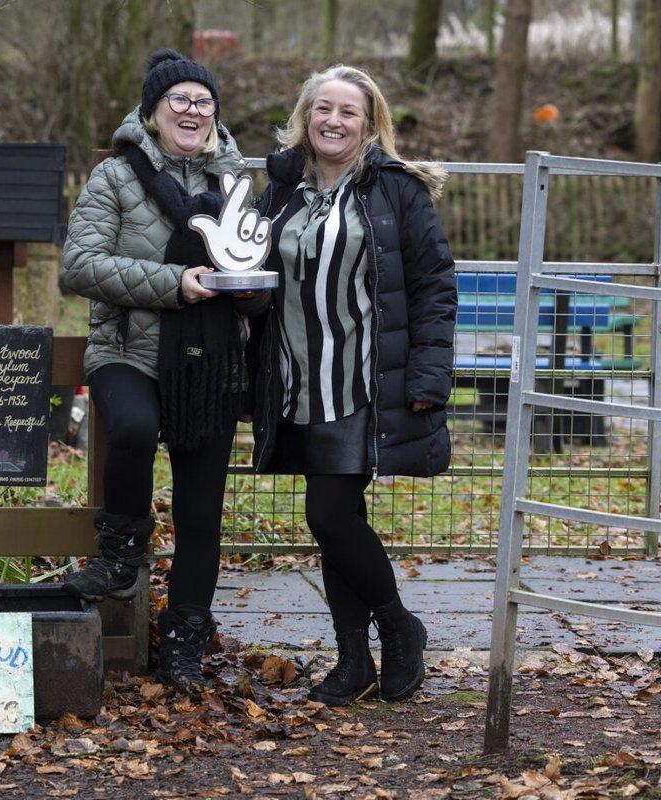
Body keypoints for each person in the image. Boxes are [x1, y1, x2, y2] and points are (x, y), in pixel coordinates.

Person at [249, 65, 456, 705]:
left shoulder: (393, 190)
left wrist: (428, 374)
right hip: (294, 382)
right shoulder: (281, 188)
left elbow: (433, 286)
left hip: (361, 380)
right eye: (323, 109)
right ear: (305, 116)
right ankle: (353, 662)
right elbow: (248, 265)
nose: (333, 121)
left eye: (348, 112)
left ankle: (398, 627)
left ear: (369, 124)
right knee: (335, 522)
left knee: (330, 514)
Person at [61, 48, 268, 689]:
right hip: (128, 351)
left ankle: (184, 639)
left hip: (210, 366)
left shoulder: (234, 186)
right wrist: (174, 283)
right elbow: (80, 266)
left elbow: (257, 279)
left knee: (203, 513)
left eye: (202, 101)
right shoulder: (114, 178)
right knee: (131, 428)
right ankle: (121, 551)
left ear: (215, 117)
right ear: (150, 115)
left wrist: (249, 287)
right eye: (177, 100)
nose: (191, 110)